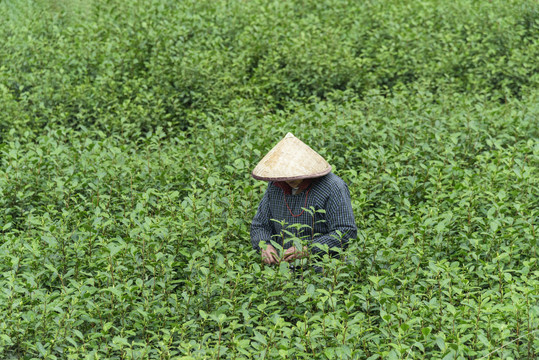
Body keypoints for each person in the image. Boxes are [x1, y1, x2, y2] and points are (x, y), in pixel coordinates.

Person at [250, 133, 357, 266]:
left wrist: (309, 249)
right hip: (280, 271)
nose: (289, 180)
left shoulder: (333, 187)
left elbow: (345, 232)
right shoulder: (275, 186)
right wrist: (264, 245)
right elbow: (260, 225)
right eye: (285, 176)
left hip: (322, 268)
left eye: (294, 175)